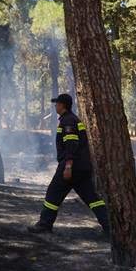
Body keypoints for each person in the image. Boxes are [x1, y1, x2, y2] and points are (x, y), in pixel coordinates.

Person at [28, 93, 110, 235]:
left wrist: (68, 166)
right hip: (82, 168)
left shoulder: (68, 121)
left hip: (71, 167)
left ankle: (44, 224)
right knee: (92, 198)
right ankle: (110, 227)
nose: (55, 106)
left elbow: (71, 145)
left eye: (57, 103)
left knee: (53, 193)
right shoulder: (74, 120)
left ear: (62, 105)